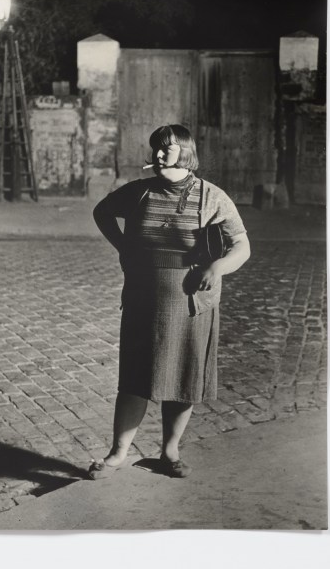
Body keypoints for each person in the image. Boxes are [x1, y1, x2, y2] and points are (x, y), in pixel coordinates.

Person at [89, 124, 250, 479]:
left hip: (190, 300)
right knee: (134, 378)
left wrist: (218, 267)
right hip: (143, 297)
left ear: (187, 154)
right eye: (156, 148)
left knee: (183, 377)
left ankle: (169, 452)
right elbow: (102, 212)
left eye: (168, 149)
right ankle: (117, 454)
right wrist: (123, 246)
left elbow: (242, 245)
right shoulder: (139, 192)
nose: (159, 155)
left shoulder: (211, 196)